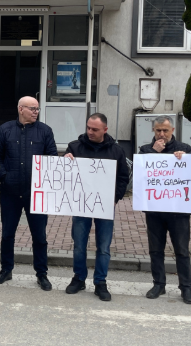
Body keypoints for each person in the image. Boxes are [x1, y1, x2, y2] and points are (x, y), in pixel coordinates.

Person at [0, 96, 57, 290]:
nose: (36, 112)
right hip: (10, 191)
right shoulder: (5, 129)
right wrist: (4, 175)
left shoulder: (45, 131)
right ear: (21, 109)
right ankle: (6, 269)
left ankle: (41, 274)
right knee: (7, 234)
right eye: (32, 108)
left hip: (36, 193)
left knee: (39, 236)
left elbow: (52, 158)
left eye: (37, 109)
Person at [63, 113, 130, 301]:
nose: (90, 132)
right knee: (79, 245)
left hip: (104, 205)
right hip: (81, 204)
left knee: (103, 247)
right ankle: (79, 278)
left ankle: (100, 282)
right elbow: (65, 174)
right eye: (88, 128)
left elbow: (123, 177)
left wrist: (115, 198)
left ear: (105, 130)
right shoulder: (74, 147)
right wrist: (65, 160)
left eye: (95, 129)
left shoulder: (116, 150)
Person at [138, 115, 191, 304]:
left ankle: (186, 288)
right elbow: (139, 175)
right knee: (156, 250)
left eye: (165, 130)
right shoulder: (145, 150)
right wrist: (153, 153)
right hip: (155, 210)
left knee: (182, 250)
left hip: (178, 211)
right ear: (153, 131)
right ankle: (159, 284)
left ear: (173, 130)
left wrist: (186, 158)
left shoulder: (185, 148)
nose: (162, 134)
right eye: (158, 130)